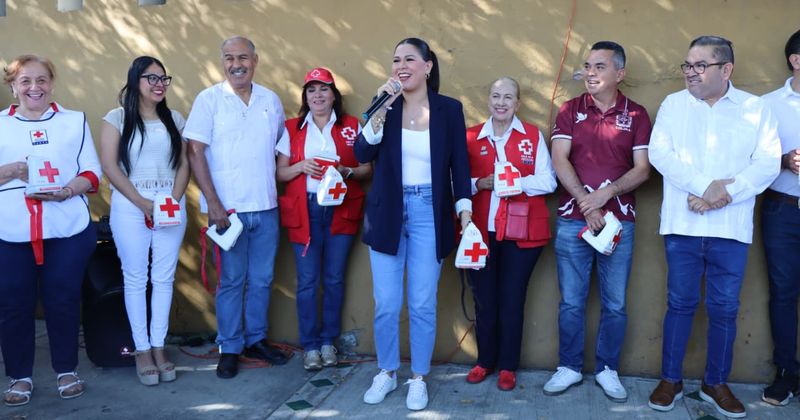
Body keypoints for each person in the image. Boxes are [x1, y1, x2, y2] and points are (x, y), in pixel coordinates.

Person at [647, 36, 781, 418]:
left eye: (700, 65)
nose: (691, 72)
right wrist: (704, 187)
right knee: (680, 304)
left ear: (726, 69)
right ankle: (670, 379)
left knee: (724, 308)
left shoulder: (755, 109)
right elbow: (660, 154)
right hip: (683, 225)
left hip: (731, 228)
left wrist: (725, 193)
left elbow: (768, 163)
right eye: (687, 65)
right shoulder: (674, 105)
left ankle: (715, 382)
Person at [355, 37, 472, 411]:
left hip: (428, 211)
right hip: (387, 211)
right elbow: (361, 152)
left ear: (428, 66)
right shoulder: (384, 107)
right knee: (386, 302)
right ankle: (387, 372)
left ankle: (418, 377)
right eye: (395, 60)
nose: (400, 66)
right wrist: (378, 108)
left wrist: (465, 212)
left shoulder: (449, 109)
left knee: (422, 302)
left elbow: (460, 167)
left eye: (409, 59)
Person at [545, 41, 651, 403]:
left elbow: (643, 170)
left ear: (619, 73)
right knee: (571, 302)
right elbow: (560, 160)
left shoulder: (636, 115)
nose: (590, 73)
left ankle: (608, 369)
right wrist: (587, 204)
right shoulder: (569, 110)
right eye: (588, 66)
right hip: (573, 220)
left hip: (619, 222)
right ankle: (570, 367)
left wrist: (603, 197)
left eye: (600, 67)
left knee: (615, 303)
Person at [185, 36, 289, 379]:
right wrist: (213, 203)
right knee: (231, 281)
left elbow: (278, 150)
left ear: (255, 60)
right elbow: (195, 152)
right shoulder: (209, 100)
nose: (236, 64)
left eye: (243, 57)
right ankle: (229, 347)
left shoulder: (270, 100)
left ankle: (256, 339)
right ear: (222, 62)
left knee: (261, 280)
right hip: (227, 212)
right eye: (229, 58)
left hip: (266, 207)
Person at [0, 55, 101, 405]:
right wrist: (12, 170)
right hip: (10, 231)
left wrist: (68, 190)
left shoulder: (75, 121)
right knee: (14, 304)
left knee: (63, 300)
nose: (34, 87)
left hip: (66, 226)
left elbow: (91, 171)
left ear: (52, 84)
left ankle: (66, 369)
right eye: (25, 80)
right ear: (12, 86)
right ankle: (19, 376)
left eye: (41, 80)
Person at [99, 56, 189, 386]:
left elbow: (184, 165)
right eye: (152, 78)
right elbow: (110, 166)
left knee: (164, 277)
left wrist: (172, 202)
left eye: (164, 78)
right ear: (135, 80)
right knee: (136, 277)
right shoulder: (117, 118)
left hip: (168, 202)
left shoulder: (175, 119)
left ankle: (159, 347)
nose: (159, 84)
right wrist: (141, 203)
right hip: (130, 203)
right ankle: (141, 350)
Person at [463, 77, 556, 391]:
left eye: (508, 97)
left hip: (520, 234)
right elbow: (454, 184)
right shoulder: (471, 137)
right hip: (479, 233)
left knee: (512, 300)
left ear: (518, 104)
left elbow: (549, 181)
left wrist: (515, 182)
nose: (501, 103)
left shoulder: (531, 135)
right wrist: (480, 183)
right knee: (484, 300)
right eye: (495, 96)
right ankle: (484, 360)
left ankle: (507, 366)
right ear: (488, 100)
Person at [276, 67, 371, 371]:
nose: (318, 95)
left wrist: (345, 171)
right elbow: (280, 173)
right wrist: (301, 166)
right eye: (311, 90)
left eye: (324, 89)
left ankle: (329, 341)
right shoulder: (291, 128)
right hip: (305, 208)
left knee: (333, 278)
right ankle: (310, 345)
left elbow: (366, 170)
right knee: (307, 281)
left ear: (334, 95)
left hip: (341, 208)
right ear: (305, 96)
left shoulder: (352, 127)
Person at [759, 29, 800, 407]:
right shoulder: (767, 105)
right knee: (784, 294)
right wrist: (784, 161)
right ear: (796, 60)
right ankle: (786, 373)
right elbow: (748, 161)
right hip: (783, 209)